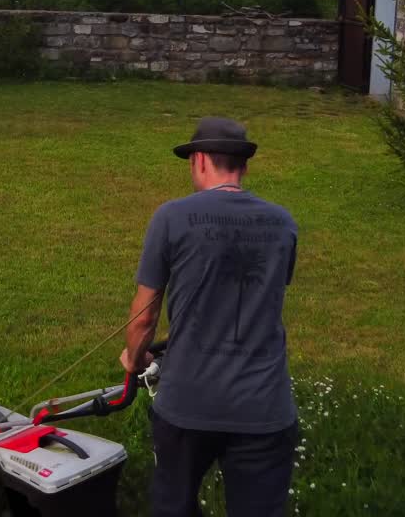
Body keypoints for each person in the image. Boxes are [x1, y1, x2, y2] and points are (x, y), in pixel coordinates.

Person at [119, 116, 300, 517]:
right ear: (244, 166)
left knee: (173, 506)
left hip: (187, 405)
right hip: (265, 408)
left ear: (199, 160)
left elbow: (145, 316)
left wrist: (135, 359)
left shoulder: (170, 217)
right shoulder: (284, 222)